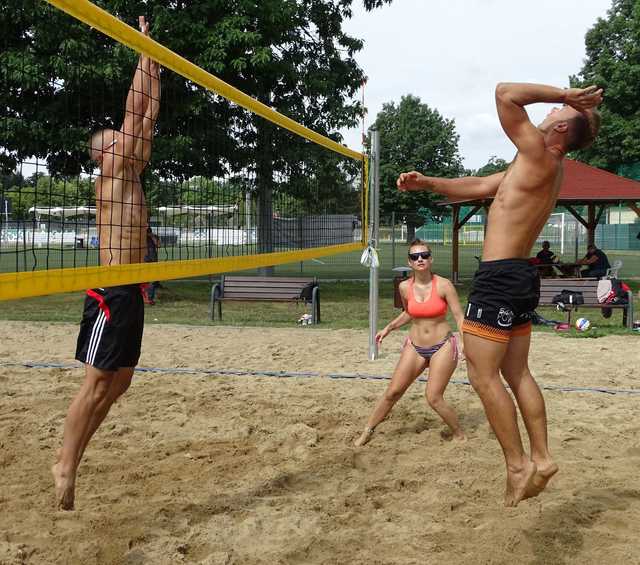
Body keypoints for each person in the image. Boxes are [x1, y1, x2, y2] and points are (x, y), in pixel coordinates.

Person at [397, 82, 602, 506]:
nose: (546, 113)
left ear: (561, 127)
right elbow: (478, 186)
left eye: (556, 111)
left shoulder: (537, 154)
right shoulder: (538, 166)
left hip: (498, 278)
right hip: (522, 276)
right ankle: (541, 458)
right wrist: (428, 183)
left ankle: (517, 464)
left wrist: (568, 94)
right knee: (516, 373)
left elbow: (505, 93)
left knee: (482, 376)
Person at [52, 16, 161, 510]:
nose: (129, 139)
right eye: (117, 140)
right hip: (109, 292)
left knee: (120, 382)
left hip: (132, 291)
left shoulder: (131, 174)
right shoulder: (111, 182)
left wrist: (151, 57)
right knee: (97, 381)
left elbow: (145, 114)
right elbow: (133, 114)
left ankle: (77, 453)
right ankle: (65, 461)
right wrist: (140, 48)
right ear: (103, 157)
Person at [354, 239, 465, 447]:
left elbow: (459, 316)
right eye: (415, 257)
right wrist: (388, 328)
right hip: (415, 345)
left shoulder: (443, 285)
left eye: (424, 255)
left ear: (431, 259)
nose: (420, 259)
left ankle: (459, 434)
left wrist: (463, 342)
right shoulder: (404, 287)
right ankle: (367, 431)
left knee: (433, 397)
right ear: (410, 262)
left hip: (442, 344)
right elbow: (409, 312)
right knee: (393, 392)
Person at [142, 226, 161, 305]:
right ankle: (145, 297)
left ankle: (150, 298)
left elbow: (158, 245)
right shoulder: (142, 237)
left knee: (153, 280)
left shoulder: (155, 236)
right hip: (145, 260)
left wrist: (152, 236)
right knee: (144, 280)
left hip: (153, 260)